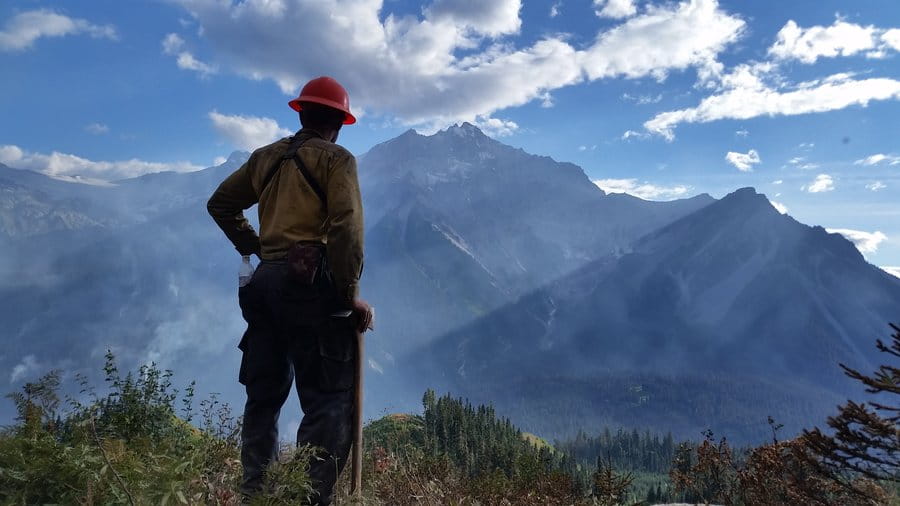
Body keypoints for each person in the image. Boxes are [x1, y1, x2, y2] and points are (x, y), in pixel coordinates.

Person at [207, 76, 372, 504]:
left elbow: (221, 204)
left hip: (263, 287)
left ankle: (255, 496)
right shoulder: (337, 160)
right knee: (329, 400)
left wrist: (256, 247)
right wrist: (347, 293)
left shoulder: (265, 158)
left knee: (263, 397)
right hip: (310, 289)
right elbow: (346, 229)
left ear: (301, 112)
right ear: (338, 121)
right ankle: (308, 499)